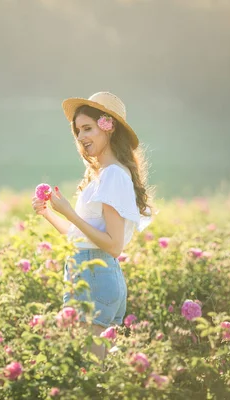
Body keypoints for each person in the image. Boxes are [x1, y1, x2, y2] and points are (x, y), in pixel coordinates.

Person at [31, 91, 155, 361]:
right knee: (95, 367)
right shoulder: (104, 174)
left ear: (108, 127)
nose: (81, 137)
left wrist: (71, 213)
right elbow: (83, 238)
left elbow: (113, 245)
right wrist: (51, 215)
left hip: (94, 276)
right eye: (77, 131)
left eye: (87, 128)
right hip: (93, 272)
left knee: (91, 370)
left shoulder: (112, 175)